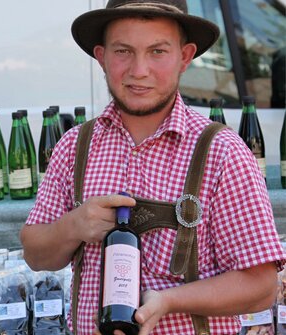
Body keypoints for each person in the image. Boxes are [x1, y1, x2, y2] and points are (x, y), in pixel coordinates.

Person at [20, 1, 286, 335]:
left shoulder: (223, 152)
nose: (139, 70)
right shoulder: (74, 147)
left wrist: (169, 301)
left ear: (185, 57)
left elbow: (261, 287)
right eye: (123, 51)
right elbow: (35, 254)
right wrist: (74, 225)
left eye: (157, 51)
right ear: (101, 57)